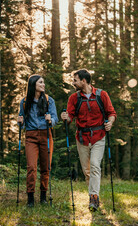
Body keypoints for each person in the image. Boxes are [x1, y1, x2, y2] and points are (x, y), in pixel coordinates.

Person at [61, 69, 116, 211]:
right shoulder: (74, 98)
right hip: (82, 138)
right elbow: (70, 117)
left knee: (95, 166)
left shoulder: (101, 95)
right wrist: (66, 118)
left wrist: (110, 122)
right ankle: (93, 196)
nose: (73, 83)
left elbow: (111, 113)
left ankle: (94, 198)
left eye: (75, 80)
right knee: (87, 171)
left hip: (99, 137)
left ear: (83, 81)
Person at [17, 74, 58, 207]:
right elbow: (22, 124)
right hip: (31, 136)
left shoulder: (48, 100)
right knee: (31, 167)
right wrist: (20, 122)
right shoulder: (24, 102)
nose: (43, 85)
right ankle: (30, 198)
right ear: (33, 84)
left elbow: (55, 119)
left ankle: (43, 196)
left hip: (46, 135)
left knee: (46, 167)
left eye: (43, 83)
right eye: (40, 83)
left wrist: (50, 120)